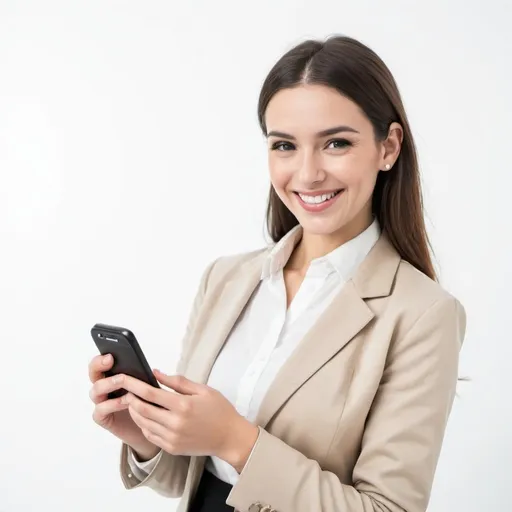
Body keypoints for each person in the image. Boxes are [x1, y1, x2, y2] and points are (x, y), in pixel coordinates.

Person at [88, 35, 466, 512]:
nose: (307, 174)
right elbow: (197, 479)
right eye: (284, 145)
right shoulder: (226, 280)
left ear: (387, 147)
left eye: (336, 143)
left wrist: (236, 440)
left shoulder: (423, 315)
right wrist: (147, 437)